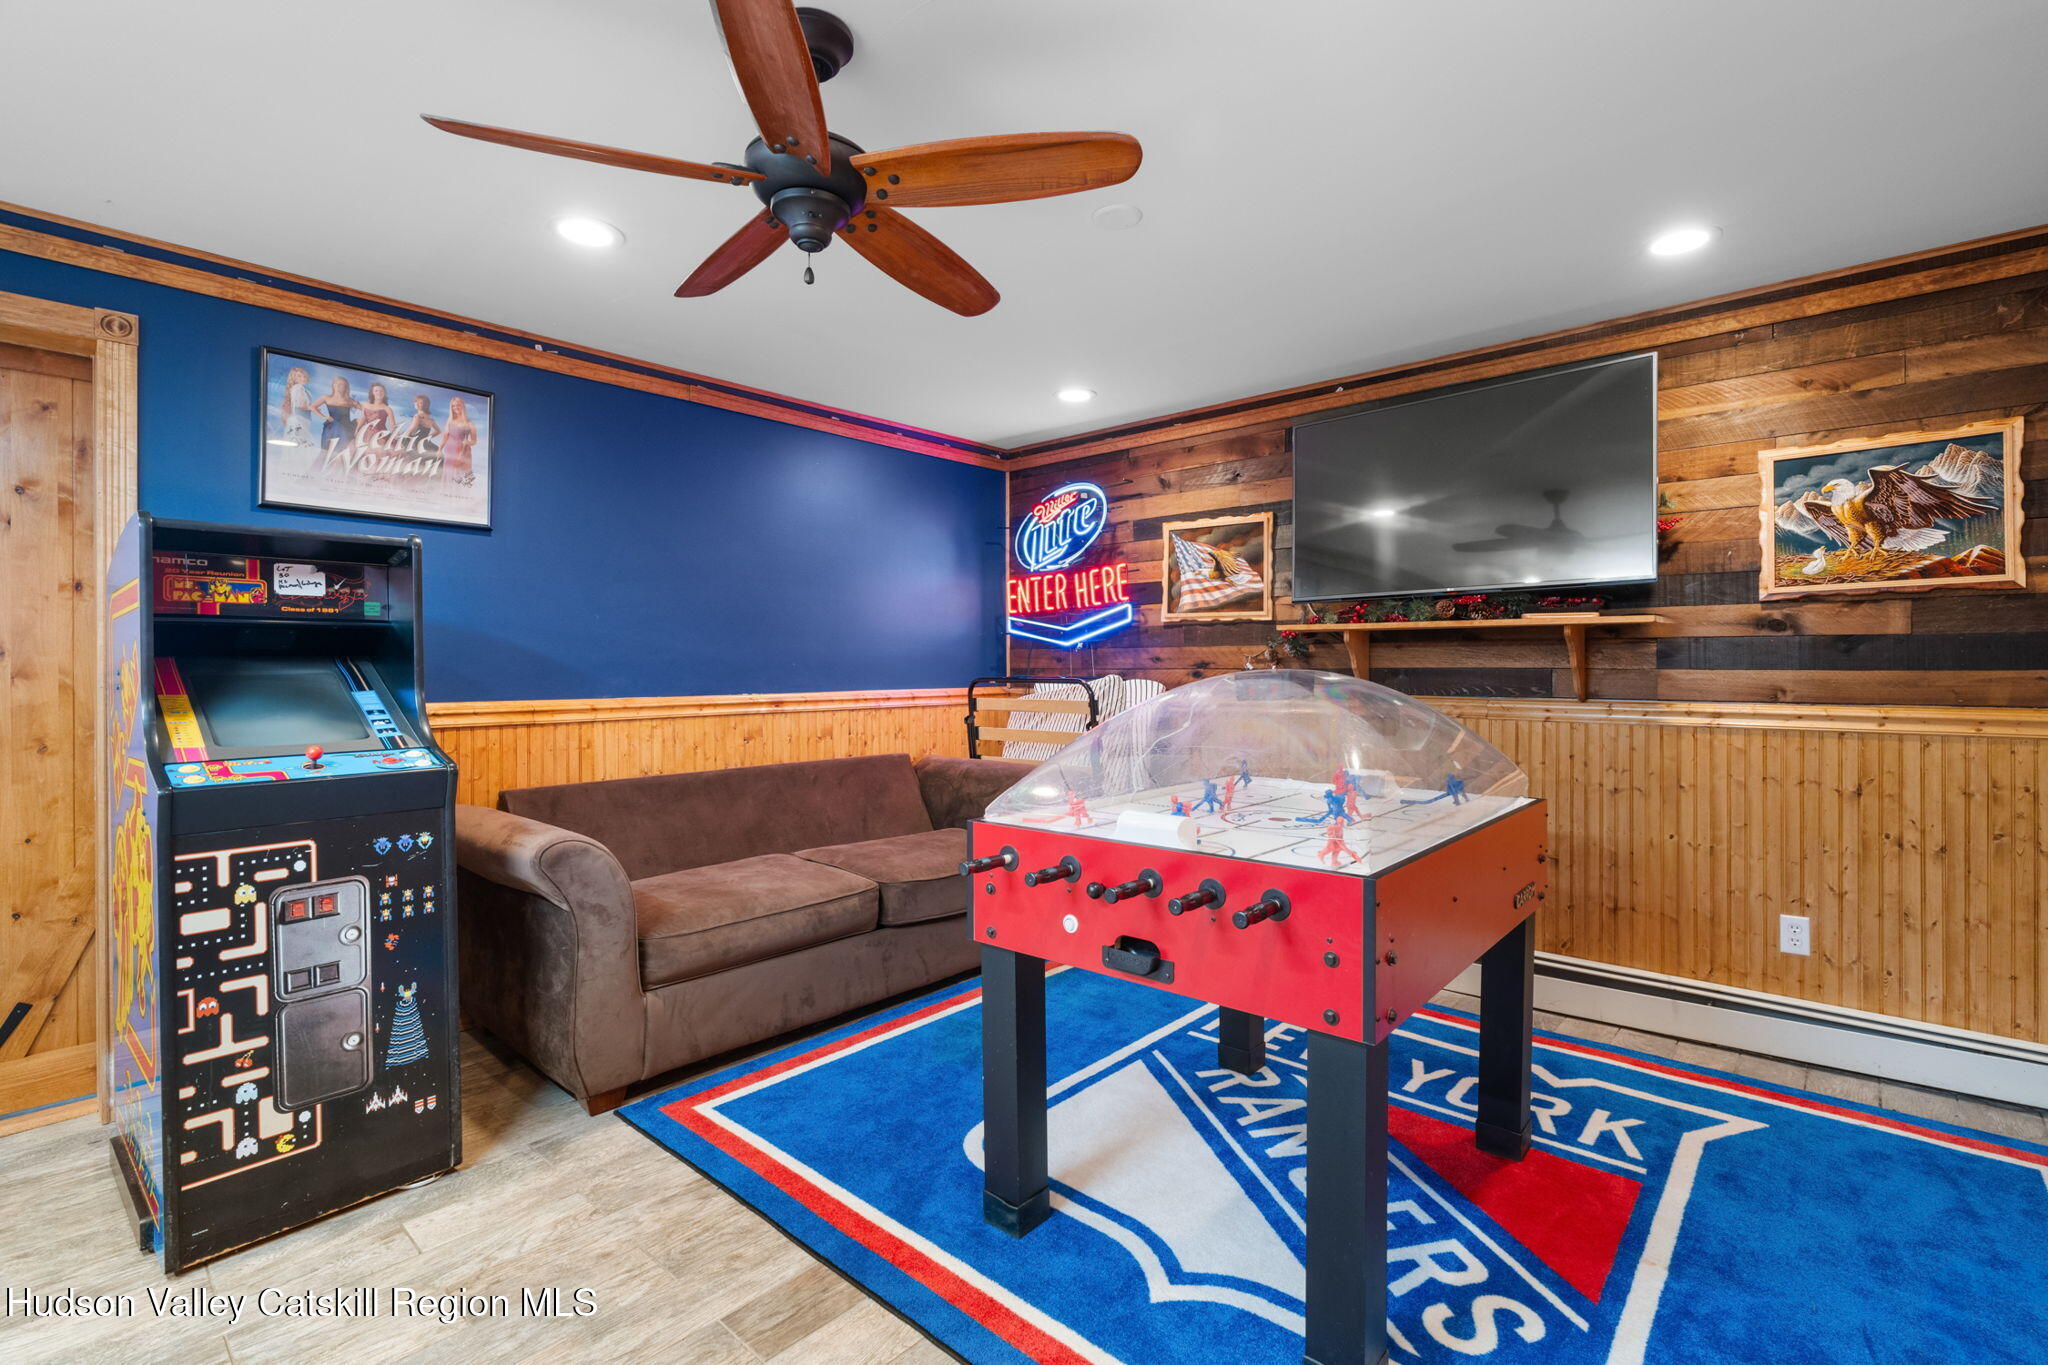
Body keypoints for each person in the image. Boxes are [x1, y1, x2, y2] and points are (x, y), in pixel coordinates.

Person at [311, 376, 362, 455]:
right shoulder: (326, 397)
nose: (338, 386)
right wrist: (324, 417)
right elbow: (312, 407)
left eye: (341, 384)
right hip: (332, 427)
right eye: (336, 383)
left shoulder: (349, 400)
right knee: (335, 428)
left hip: (347, 426)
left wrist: (361, 419)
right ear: (333, 385)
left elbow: (365, 409)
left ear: (345, 387)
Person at [439, 394, 478, 478]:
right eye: (453, 406)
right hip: (450, 451)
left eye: (458, 405)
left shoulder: (470, 423)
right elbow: (445, 436)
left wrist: (467, 442)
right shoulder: (449, 421)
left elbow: (474, 441)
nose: (455, 407)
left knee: (461, 475)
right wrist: (439, 449)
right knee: (449, 474)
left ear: (462, 406)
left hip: (463, 452)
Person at [355, 382, 398, 457]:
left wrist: (397, 436)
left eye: (381, 391)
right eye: (376, 391)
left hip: (380, 435)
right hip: (366, 433)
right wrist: (357, 429)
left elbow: (393, 426)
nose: (379, 393)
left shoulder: (387, 409)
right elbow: (363, 418)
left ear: (384, 393)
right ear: (372, 393)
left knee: (379, 454)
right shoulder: (365, 404)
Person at [278, 365, 316, 445]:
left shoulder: (302, 389)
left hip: (302, 418)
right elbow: (300, 404)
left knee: (300, 441)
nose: (302, 378)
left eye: (304, 376)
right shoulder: (298, 387)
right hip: (299, 418)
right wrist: (312, 408)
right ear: (293, 378)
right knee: (302, 442)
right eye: (299, 376)